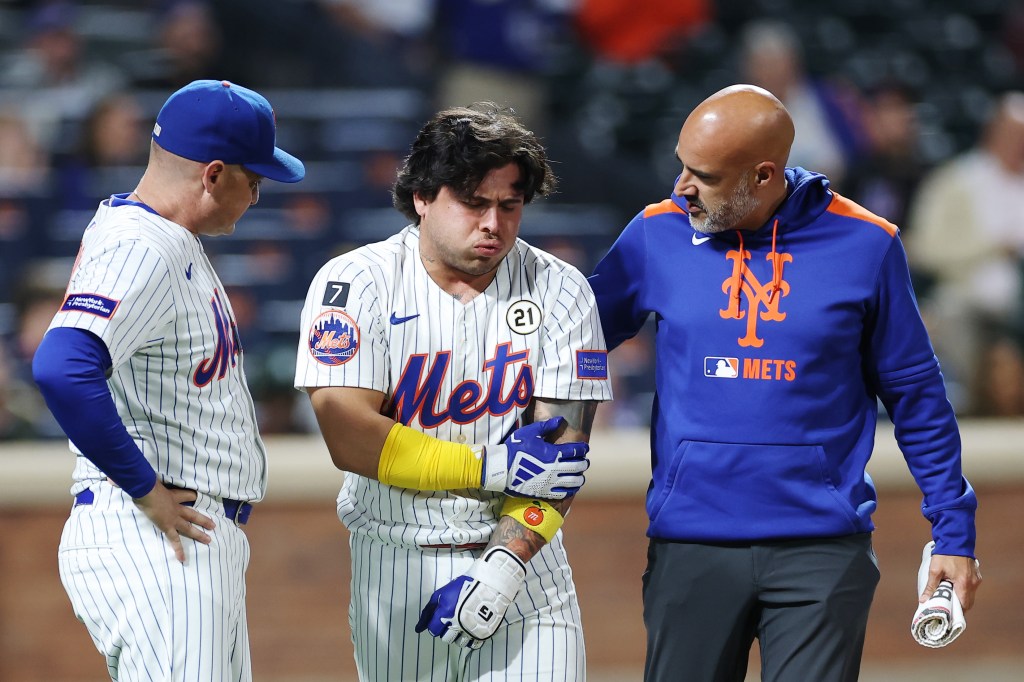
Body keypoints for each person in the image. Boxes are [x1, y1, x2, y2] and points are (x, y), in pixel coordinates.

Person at [588, 84, 981, 682]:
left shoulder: (869, 244)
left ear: (764, 175)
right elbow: (574, 346)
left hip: (821, 550)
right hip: (691, 544)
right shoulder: (655, 234)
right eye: (682, 165)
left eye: (705, 175)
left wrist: (953, 534)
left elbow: (918, 398)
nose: (680, 186)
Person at [294, 102, 612, 680]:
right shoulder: (355, 282)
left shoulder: (561, 288)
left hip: (523, 566)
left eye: (509, 204)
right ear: (422, 197)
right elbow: (348, 435)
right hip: (396, 562)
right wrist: (490, 467)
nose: (494, 223)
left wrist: (502, 571)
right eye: (473, 202)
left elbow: (560, 458)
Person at [31, 79, 305, 681]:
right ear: (212, 174)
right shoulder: (143, 244)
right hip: (156, 534)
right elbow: (61, 366)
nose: (258, 195)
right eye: (253, 179)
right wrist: (145, 488)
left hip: (179, 540)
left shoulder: (161, 238)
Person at [904, 91, 1024, 415]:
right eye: (1012, 135)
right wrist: (992, 248)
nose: (1018, 145)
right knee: (950, 313)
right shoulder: (956, 181)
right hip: (965, 296)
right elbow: (924, 248)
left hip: (1018, 301)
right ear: (993, 132)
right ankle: (968, 415)